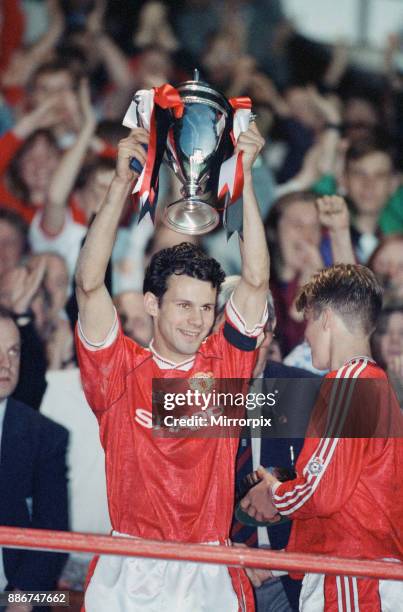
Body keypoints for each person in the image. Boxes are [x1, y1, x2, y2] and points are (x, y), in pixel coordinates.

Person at [74, 123, 268, 611]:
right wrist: (120, 184)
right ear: (152, 305)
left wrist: (242, 178)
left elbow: (258, 279)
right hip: (129, 566)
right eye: (184, 305)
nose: (197, 320)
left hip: (206, 571)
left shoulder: (224, 363)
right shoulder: (120, 371)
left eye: (206, 308)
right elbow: (89, 286)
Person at [240, 264, 403, 610]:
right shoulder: (372, 384)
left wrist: (274, 494)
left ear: (326, 318)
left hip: (351, 575)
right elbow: (340, 495)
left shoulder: (351, 381)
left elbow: (320, 491)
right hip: (362, 571)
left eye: (309, 323)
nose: (306, 336)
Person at [0, 306, 69, 612]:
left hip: (20, 596)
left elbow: (53, 527)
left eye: (13, 352)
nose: (6, 364)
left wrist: (24, 595)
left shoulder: (45, 435)